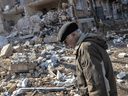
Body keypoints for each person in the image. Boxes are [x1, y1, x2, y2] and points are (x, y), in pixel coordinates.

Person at [57, 22, 117, 96]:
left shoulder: (86, 48)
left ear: (73, 35)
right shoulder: (88, 44)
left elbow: (96, 83)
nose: (66, 45)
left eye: (66, 42)